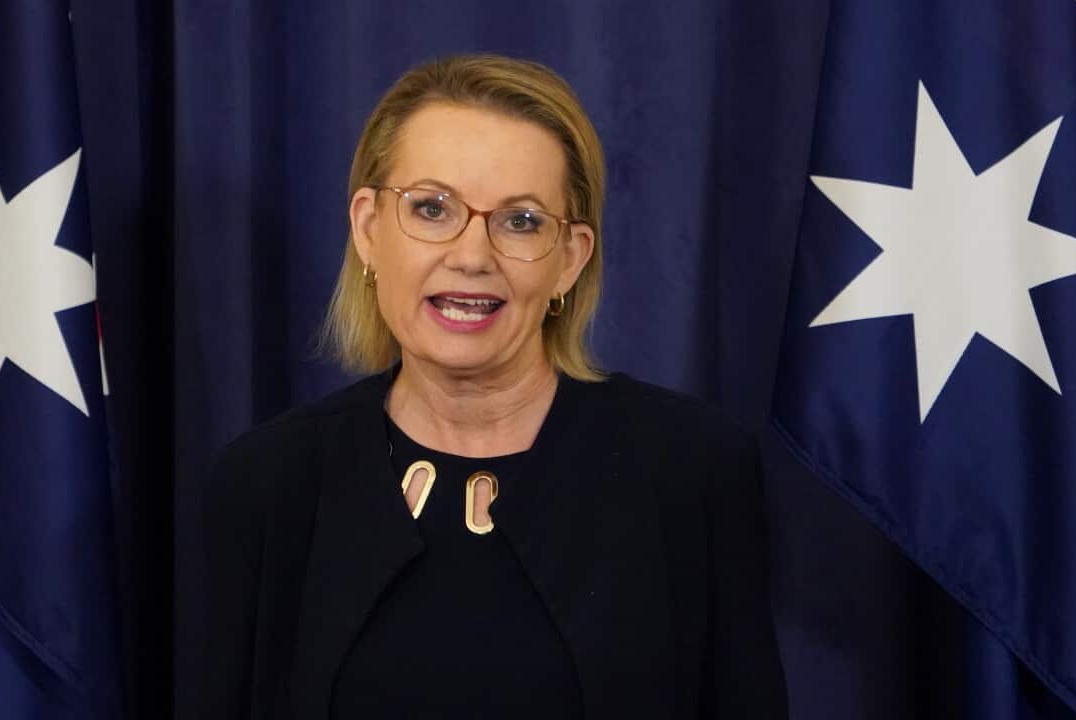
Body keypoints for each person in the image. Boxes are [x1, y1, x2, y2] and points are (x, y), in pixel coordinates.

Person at [201, 53, 787, 719]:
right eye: (431, 208)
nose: (473, 256)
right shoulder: (268, 485)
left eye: (522, 221)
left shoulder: (694, 469)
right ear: (368, 229)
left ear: (570, 259)